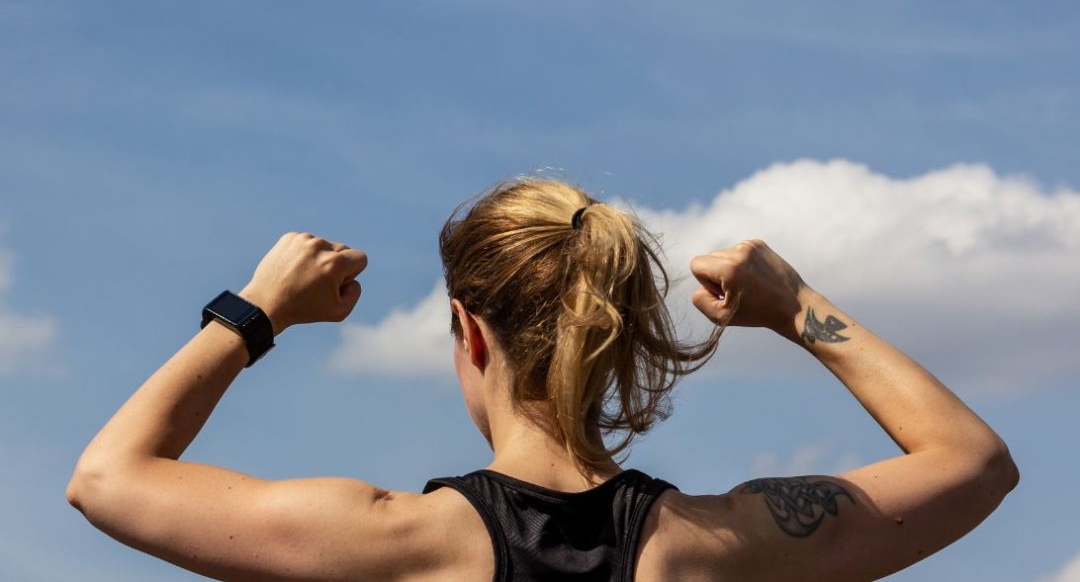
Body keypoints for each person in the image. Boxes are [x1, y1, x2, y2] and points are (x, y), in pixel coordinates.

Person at [67, 176, 1019, 581]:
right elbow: (972, 460)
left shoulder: (394, 541)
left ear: (467, 333)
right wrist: (797, 304)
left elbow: (106, 477)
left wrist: (256, 309)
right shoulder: (722, 545)